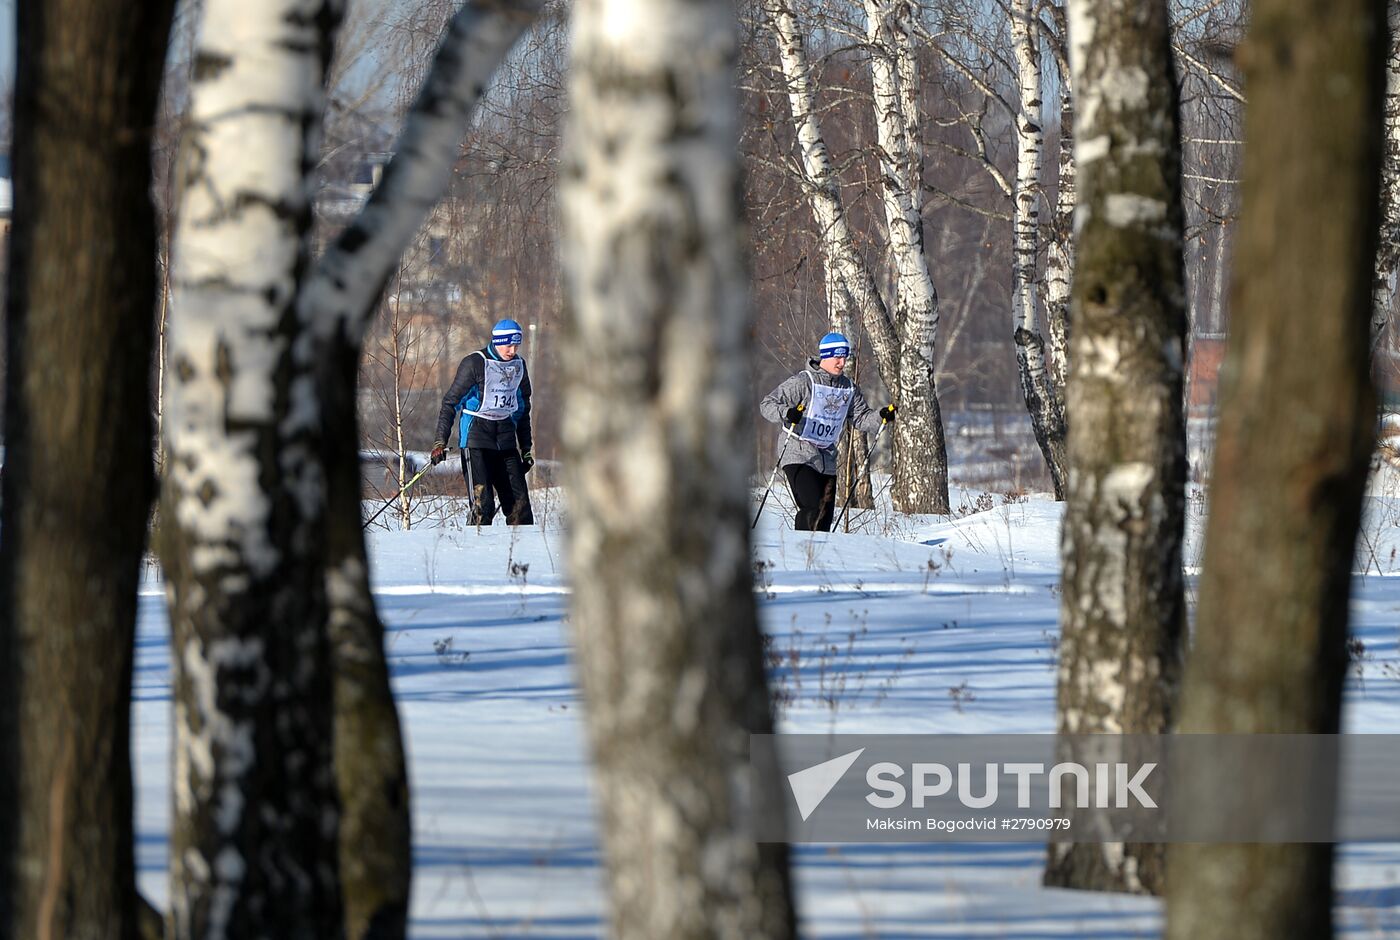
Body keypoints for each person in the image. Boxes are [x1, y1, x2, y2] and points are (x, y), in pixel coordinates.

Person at [759, 332, 896, 531]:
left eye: (844, 357)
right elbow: (767, 404)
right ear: (825, 356)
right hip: (798, 452)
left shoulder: (849, 388)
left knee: (824, 518)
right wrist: (788, 413)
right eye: (837, 357)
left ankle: (817, 558)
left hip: (826, 458)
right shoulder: (804, 382)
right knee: (812, 508)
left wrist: (881, 416)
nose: (842, 362)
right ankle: (801, 551)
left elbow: (861, 418)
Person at [431, 318, 535, 525]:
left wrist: (525, 447)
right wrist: (440, 442)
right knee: (483, 508)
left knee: (520, 509)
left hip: (505, 439)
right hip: (476, 438)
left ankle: (520, 555)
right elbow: (450, 403)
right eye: (508, 345)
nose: (512, 350)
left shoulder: (519, 366)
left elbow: (523, 409)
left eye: (516, 345)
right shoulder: (475, 363)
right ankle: (475, 553)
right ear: (497, 342)